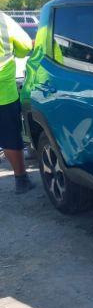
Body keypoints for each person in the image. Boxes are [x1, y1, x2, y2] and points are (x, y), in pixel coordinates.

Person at [0, 11, 34, 194]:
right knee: (10, 138)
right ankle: (21, 180)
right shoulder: (3, 20)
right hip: (4, 93)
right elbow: (24, 46)